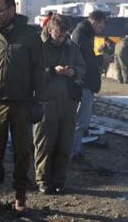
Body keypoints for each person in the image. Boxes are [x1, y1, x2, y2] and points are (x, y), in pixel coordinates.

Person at [0, 0, 44, 214]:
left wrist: (38, 100)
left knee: (23, 151)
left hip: (23, 103)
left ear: (12, 10)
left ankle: (20, 196)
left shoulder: (30, 36)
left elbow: (38, 69)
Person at [35, 14, 85, 195]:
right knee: (44, 143)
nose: (61, 38)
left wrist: (73, 72)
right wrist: (52, 71)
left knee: (65, 143)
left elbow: (82, 67)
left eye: (64, 35)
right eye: (58, 34)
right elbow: (31, 71)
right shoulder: (38, 47)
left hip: (68, 102)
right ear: (50, 30)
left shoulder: (72, 47)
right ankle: (43, 180)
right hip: (46, 101)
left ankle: (59, 180)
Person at [70, 10, 107, 162]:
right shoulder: (82, 34)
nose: (102, 29)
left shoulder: (85, 34)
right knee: (81, 121)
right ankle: (73, 152)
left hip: (85, 83)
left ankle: (74, 151)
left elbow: (86, 56)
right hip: (83, 84)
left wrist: (98, 53)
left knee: (82, 121)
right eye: (101, 26)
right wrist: (102, 59)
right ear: (95, 22)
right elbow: (85, 60)